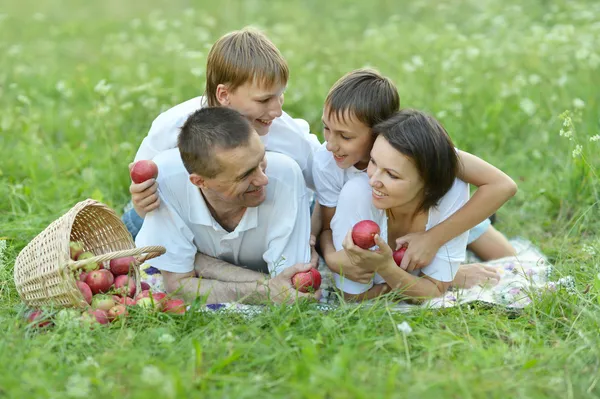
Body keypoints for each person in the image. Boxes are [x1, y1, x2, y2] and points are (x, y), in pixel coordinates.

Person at [313, 69, 517, 289]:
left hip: (427, 212)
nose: (331, 144)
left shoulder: (418, 153)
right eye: (326, 128)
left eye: (345, 136)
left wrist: (433, 239)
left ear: (380, 131)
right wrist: (333, 261)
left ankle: (452, 262)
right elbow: (329, 228)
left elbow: (502, 185)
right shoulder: (328, 163)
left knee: (509, 262)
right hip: (378, 222)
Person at [123, 27, 321, 239]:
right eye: (264, 100)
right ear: (224, 94)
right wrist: (142, 200)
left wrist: (314, 233)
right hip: (194, 223)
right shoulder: (174, 126)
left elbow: (325, 180)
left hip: (264, 224)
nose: (277, 111)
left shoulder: (285, 132)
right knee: (132, 228)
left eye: (280, 96)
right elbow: (143, 175)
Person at [135, 107, 320, 304]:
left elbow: (290, 287)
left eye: (260, 160)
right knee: (137, 233)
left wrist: (198, 261)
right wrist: (265, 290)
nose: (263, 179)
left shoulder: (285, 175)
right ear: (200, 182)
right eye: (245, 175)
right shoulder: (166, 179)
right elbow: (178, 286)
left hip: (303, 205)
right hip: (149, 216)